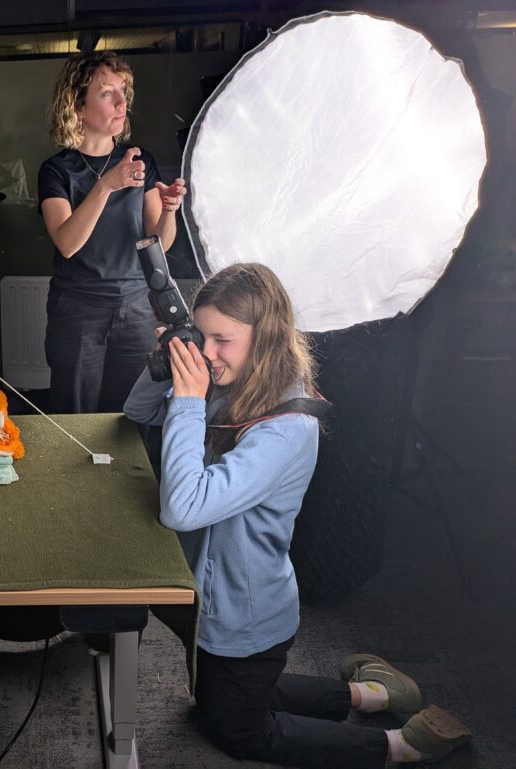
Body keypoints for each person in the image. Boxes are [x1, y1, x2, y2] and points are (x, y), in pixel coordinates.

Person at [124, 263, 471, 768]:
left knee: (239, 733)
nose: (207, 353)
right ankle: (371, 695)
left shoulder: (288, 428)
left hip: (245, 612)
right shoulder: (231, 380)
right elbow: (137, 410)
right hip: (213, 596)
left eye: (222, 339)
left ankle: (400, 745)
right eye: (200, 337)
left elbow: (184, 507)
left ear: (264, 340)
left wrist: (189, 398)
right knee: (219, 699)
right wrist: (165, 362)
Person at [38, 51, 186, 414]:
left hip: (136, 308)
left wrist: (169, 210)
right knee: (75, 417)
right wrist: (105, 186)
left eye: (123, 92)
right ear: (78, 104)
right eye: (108, 93)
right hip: (78, 312)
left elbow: (159, 244)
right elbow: (68, 244)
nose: (122, 103)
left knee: (130, 414)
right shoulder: (56, 171)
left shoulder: (140, 161)